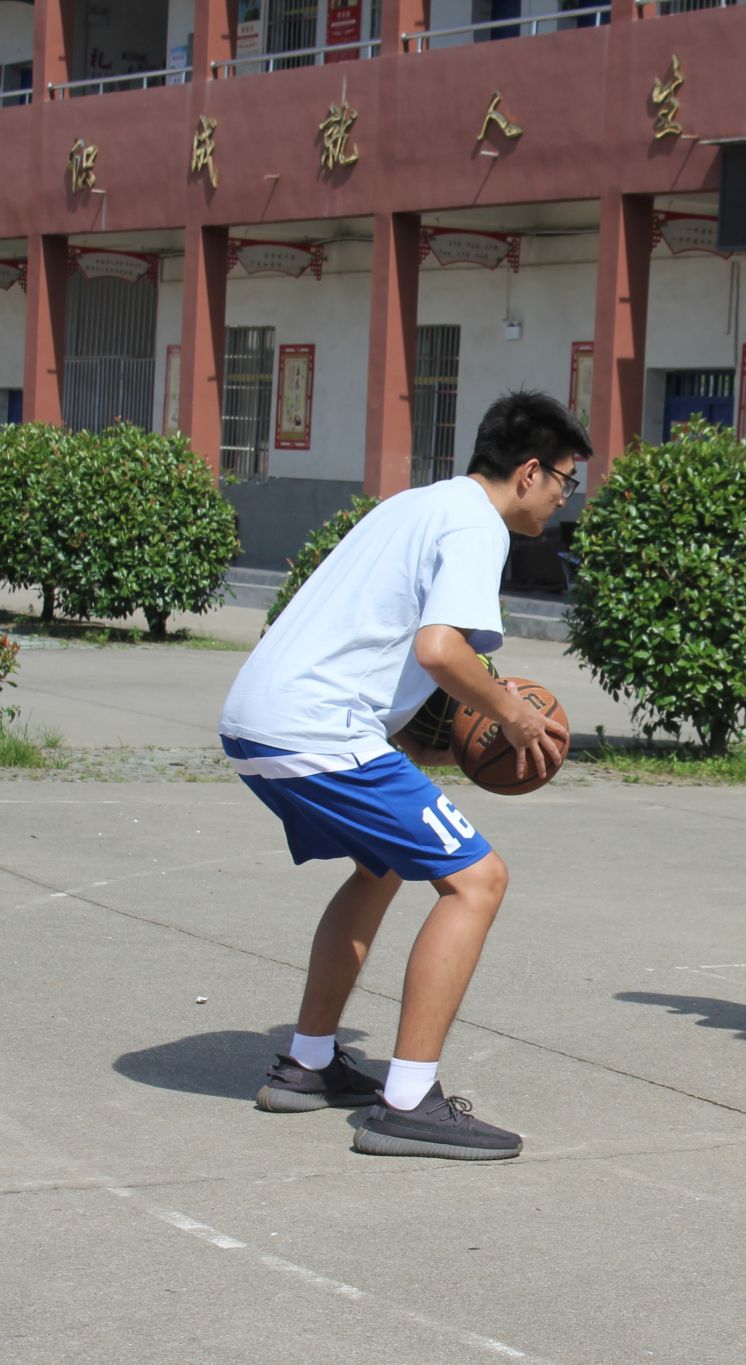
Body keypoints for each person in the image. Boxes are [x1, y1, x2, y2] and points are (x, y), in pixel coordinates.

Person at [219, 390, 587, 1161]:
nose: (564, 497)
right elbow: (439, 653)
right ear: (528, 472)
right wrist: (511, 715)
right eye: (565, 480)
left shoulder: (417, 505)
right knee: (478, 878)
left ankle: (308, 1063)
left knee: (382, 867)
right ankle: (409, 1099)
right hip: (317, 729)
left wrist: (439, 739)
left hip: (259, 718)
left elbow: (388, 656)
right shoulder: (477, 526)